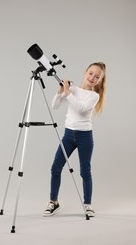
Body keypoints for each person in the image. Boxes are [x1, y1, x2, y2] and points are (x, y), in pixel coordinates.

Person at [43, 62, 106, 217]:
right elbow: (55, 106)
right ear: (85, 73)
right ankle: (54, 202)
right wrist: (60, 92)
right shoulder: (73, 90)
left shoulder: (94, 96)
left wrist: (67, 92)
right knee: (55, 168)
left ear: (99, 81)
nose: (93, 77)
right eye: (91, 73)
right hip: (68, 136)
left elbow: (81, 108)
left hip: (85, 137)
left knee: (85, 171)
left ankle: (88, 204)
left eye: (97, 77)